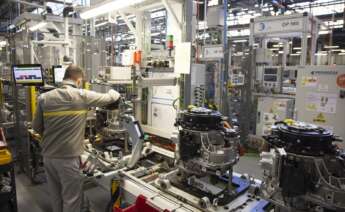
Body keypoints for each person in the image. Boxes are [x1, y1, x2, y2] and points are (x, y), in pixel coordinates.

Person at [32, 65, 121, 212]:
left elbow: (36, 128)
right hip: (68, 158)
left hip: (48, 156)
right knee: (71, 199)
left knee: (56, 196)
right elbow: (112, 97)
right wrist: (112, 88)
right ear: (78, 80)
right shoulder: (82, 95)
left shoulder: (44, 98)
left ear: (64, 78)